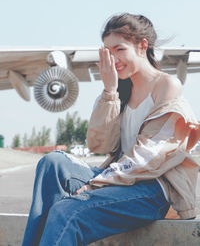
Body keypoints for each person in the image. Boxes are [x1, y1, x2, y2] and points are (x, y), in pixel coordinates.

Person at [22, 13, 200, 246]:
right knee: (53, 163)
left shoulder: (166, 85)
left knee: (67, 211)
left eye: (119, 49)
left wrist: (96, 184)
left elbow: (151, 157)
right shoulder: (118, 90)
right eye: (108, 51)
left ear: (142, 45)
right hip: (119, 183)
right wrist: (109, 92)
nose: (113, 58)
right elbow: (100, 145)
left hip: (153, 190)